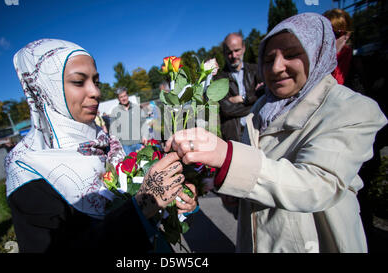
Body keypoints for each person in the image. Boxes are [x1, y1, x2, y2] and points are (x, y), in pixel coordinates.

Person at [165, 13, 387, 253]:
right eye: (269, 59)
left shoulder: (350, 108)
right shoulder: (260, 109)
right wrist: (217, 184)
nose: (277, 67)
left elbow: (318, 184)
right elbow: (257, 174)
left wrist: (227, 158)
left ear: (316, 53)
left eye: (291, 54)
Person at [5, 39, 197, 253]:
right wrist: (141, 207)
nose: (95, 92)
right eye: (79, 82)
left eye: (96, 81)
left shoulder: (105, 142)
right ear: (46, 90)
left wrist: (173, 201)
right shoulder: (27, 167)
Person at [215, 32, 264, 143]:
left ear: (244, 48)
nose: (233, 56)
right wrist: (254, 103)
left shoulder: (256, 71)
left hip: (257, 131)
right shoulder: (219, 79)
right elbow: (226, 109)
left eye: (237, 50)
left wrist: (243, 98)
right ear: (224, 53)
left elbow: (264, 98)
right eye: (229, 52)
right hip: (234, 136)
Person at [109, 87, 147, 155]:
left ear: (127, 96)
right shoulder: (115, 111)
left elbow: (143, 124)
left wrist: (145, 136)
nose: (124, 98)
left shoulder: (136, 108)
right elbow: (112, 129)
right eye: (121, 97)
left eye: (125, 96)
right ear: (118, 99)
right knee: (131, 164)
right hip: (125, 146)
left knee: (144, 161)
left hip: (139, 143)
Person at [323, 8, 353, 86]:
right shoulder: (313, 62)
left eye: (335, 34)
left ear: (347, 35)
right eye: (324, 34)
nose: (328, 39)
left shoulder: (355, 66)